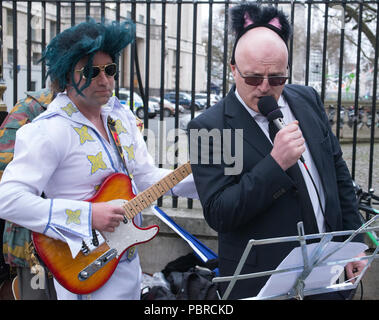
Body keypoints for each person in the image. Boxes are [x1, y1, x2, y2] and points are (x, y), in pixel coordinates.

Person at [0, 19, 198, 300]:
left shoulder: (121, 118)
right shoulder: (48, 130)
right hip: (84, 271)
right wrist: (89, 216)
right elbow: (8, 199)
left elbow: (145, 177)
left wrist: (204, 177)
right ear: (67, 75)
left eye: (110, 70)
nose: (104, 80)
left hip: (127, 265)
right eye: (91, 72)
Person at [188, 3, 366, 300]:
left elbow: (337, 174)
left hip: (327, 275)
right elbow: (220, 212)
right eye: (254, 78)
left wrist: (354, 245)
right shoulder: (210, 127)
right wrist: (276, 163)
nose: (265, 88)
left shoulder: (306, 99)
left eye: (277, 79)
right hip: (263, 283)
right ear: (233, 69)